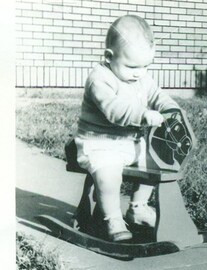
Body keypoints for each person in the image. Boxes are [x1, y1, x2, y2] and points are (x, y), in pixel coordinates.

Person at [74, 15, 180, 242]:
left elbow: (157, 95)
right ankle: (111, 218)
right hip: (99, 143)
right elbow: (113, 109)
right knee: (108, 175)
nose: (139, 72)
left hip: (129, 143)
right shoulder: (99, 79)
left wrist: (170, 108)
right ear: (109, 56)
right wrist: (142, 115)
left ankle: (138, 207)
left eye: (145, 66)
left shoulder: (141, 77)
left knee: (155, 161)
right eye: (132, 66)